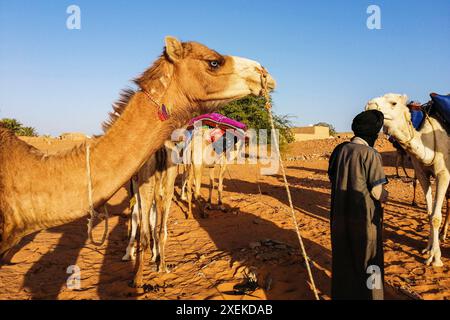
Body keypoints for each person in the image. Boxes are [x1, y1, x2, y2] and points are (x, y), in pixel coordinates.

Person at [328, 110, 389, 300]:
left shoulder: (339, 150)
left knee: (343, 258)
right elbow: (377, 192)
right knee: (371, 260)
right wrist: (387, 195)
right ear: (373, 133)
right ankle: (373, 296)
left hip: (338, 217)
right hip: (364, 221)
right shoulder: (370, 154)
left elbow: (332, 177)